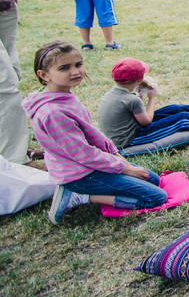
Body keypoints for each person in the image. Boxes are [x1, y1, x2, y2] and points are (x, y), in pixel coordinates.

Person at [22, 42, 166, 224]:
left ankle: (96, 188)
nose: (75, 72)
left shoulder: (63, 94)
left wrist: (113, 153)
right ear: (44, 75)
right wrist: (125, 167)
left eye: (78, 64)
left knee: (153, 180)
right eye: (64, 68)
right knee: (155, 197)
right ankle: (77, 196)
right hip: (78, 175)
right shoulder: (53, 113)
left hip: (91, 165)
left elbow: (89, 133)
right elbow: (83, 154)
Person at [98, 58, 189, 153]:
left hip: (126, 130)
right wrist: (151, 99)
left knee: (174, 109)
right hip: (132, 139)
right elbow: (146, 122)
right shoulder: (132, 100)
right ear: (139, 80)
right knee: (183, 119)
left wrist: (140, 99)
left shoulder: (112, 94)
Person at [0, 0, 29, 164]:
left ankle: (14, 146)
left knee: (12, 71)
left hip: (3, 2)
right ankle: (14, 160)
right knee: (4, 83)